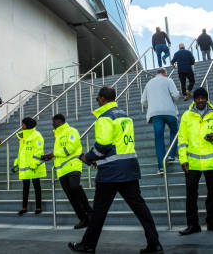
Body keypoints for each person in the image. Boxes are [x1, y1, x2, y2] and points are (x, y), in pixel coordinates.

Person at [68, 87, 162, 253]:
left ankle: (88, 245)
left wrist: (88, 158)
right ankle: (154, 243)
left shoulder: (105, 118)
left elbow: (103, 146)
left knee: (98, 211)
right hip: (129, 168)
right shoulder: (125, 116)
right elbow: (118, 144)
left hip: (111, 172)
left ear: (103, 99)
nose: (97, 102)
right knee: (141, 209)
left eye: (97, 99)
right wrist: (98, 158)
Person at [178, 87, 213, 235]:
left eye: (203, 98)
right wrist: (183, 159)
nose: (201, 100)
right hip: (192, 163)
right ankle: (193, 225)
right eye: (198, 98)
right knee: (191, 195)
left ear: (207, 99)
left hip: (211, 162)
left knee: (212, 194)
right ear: (194, 99)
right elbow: (182, 139)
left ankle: (212, 223)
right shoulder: (186, 116)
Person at [43, 114, 93, 228]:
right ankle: (83, 219)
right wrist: (50, 156)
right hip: (61, 170)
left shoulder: (72, 131)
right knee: (70, 195)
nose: (52, 124)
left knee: (75, 187)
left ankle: (90, 212)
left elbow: (70, 148)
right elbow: (60, 152)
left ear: (59, 121)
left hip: (73, 166)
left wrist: (54, 153)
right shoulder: (58, 135)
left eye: (53, 122)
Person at [141, 67, 181, 173]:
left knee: (159, 139)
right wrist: (173, 101)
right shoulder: (168, 80)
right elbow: (176, 95)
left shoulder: (149, 83)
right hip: (169, 112)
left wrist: (152, 106)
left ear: (156, 73)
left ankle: (161, 166)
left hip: (155, 114)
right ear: (164, 73)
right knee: (174, 131)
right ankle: (172, 155)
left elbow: (143, 100)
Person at [13, 117, 46, 215]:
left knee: (37, 187)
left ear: (27, 125)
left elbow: (39, 151)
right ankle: (24, 207)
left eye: (22, 124)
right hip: (25, 167)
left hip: (34, 166)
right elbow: (21, 152)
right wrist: (17, 163)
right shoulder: (23, 137)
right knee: (25, 187)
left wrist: (34, 163)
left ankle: (38, 207)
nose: (21, 126)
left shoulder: (37, 135)